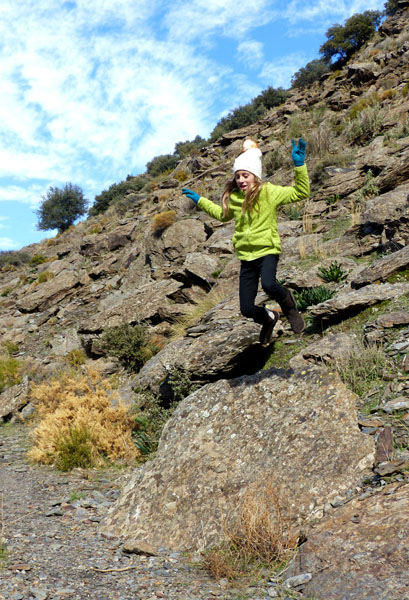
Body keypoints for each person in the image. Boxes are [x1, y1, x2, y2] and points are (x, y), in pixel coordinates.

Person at [182, 138, 310, 346]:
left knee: (269, 284)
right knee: (247, 309)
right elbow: (222, 215)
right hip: (246, 257)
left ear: (255, 176)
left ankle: (290, 309)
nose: (241, 180)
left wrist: (299, 166)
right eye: (237, 176)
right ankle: (270, 318)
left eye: (245, 175)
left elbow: (301, 192)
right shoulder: (234, 198)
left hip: (267, 250)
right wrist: (200, 200)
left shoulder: (269, 192)